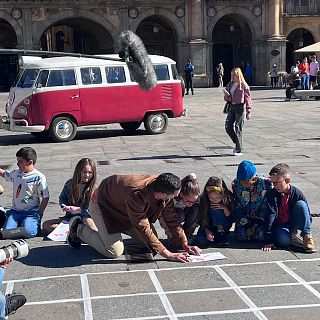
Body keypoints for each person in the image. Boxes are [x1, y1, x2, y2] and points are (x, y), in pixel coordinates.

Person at [67, 173, 202, 262]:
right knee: (113, 251)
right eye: (174, 196)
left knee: (152, 246)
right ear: (162, 194)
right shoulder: (136, 194)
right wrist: (168, 255)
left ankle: (105, 233)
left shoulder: (163, 187)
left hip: (124, 208)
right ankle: (78, 227)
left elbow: (172, 218)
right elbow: (142, 226)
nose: (175, 198)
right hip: (103, 205)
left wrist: (185, 243)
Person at [262, 163, 316, 253]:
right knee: (283, 242)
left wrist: (306, 227)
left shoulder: (297, 193)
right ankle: (290, 235)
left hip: (293, 220)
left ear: (287, 180)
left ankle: (307, 236)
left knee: (301, 205)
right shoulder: (272, 194)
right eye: (273, 182)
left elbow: (307, 214)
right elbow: (271, 215)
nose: (274, 185)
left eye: (277, 182)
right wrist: (268, 239)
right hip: (280, 224)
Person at [0, 147, 49, 239]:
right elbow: (4, 174)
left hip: (31, 213)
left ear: (30, 162)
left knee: (30, 232)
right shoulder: (16, 173)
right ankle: (20, 226)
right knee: (6, 232)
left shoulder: (39, 177)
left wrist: (39, 213)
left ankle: (30, 226)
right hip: (15, 212)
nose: (17, 164)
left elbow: (45, 197)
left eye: (20, 162)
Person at [42, 158, 98, 235]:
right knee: (46, 225)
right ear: (78, 172)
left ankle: (76, 232)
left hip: (86, 218)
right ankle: (75, 232)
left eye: (90, 172)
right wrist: (64, 206)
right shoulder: (69, 184)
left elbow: (94, 209)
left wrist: (79, 209)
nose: (87, 175)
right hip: (70, 218)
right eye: (84, 172)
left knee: (94, 229)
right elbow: (62, 198)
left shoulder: (94, 188)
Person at [232, 160, 272, 242]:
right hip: (244, 219)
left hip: (260, 219)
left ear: (254, 179)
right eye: (241, 182)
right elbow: (238, 205)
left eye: (246, 182)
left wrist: (255, 225)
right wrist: (246, 226)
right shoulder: (236, 184)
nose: (243, 185)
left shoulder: (266, 184)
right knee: (241, 237)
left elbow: (266, 206)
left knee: (259, 237)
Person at [159, 173, 200, 248]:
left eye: (194, 201)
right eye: (189, 201)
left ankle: (186, 236)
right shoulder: (171, 199)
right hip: (172, 217)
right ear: (181, 195)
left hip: (185, 214)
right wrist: (172, 237)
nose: (191, 203)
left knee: (196, 209)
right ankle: (175, 237)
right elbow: (165, 219)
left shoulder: (194, 201)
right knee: (180, 214)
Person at [197, 177, 234, 247]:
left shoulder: (228, 199)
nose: (214, 200)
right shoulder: (204, 200)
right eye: (211, 198)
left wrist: (225, 209)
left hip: (222, 227)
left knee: (217, 209)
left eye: (217, 198)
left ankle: (221, 235)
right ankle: (213, 236)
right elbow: (200, 218)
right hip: (208, 226)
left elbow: (232, 219)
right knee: (201, 241)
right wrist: (206, 230)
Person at [224, 67, 252, 156]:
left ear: (238, 75)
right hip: (232, 107)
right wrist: (226, 96)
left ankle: (238, 149)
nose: (232, 77)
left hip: (240, 108)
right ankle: (237, 143)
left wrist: (249, 110)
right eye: (231, 75)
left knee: (238, 127)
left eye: (234, 75)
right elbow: (227, 97)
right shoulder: (230, 84)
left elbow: (248, 98)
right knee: (228, 127)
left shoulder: (243, 85)